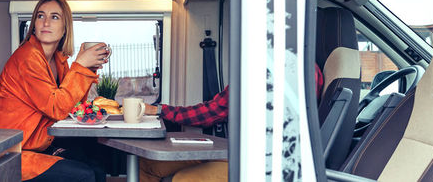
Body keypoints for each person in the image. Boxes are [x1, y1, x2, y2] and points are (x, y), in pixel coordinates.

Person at [0, 0, 110, 182]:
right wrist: (81, 67)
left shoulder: (58, 61)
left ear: (65, 27)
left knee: (97, 166)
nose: (45, 23)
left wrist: (87, 69)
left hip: (36, 144)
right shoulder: (27, 57)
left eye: (54, 17)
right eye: (40, 16)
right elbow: (56, 107)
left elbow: (72, 106)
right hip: (11, 151)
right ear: (34, 24)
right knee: (85, 175)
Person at [138, 65, 324, 182]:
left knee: (184, 179)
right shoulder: (272, 66)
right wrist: (162, 110)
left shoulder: (285, 69)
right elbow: (214, 109)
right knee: (148, 163)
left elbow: (212, 112)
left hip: (264, 162)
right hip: (239, 151)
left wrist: (162, 110)